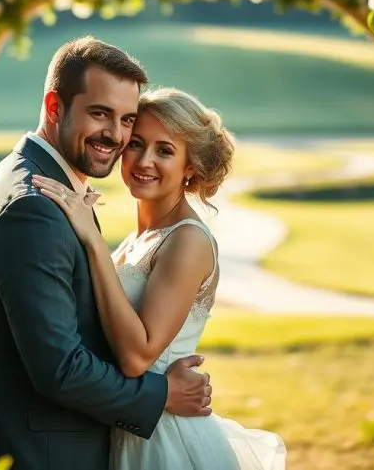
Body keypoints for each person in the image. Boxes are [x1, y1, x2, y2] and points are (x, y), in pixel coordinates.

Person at [0, 36, 214, 470]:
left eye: (127, 119)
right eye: (100, 113)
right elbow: (60, 369)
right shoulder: (34, 206)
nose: (116, 135)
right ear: (54, 107)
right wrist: (162, 393)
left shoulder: (46, 185)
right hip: (33, 455)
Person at [32, 86, 287, 469]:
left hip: (166, 441)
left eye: (164, 150)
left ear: (191, 167)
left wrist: (92, 242)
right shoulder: (137, 241)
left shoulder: (188, 240)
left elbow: (137, 357)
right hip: (129, 426)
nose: (144, 160)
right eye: (135, 144)